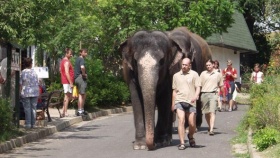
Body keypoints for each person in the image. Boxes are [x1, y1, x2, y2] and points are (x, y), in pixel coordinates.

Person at [172, 58, 201, 150]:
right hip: (179, 101)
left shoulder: (194, 74)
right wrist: (173, 103)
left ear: (189, 65)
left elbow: (198, 87)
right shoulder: (176, 76)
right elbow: (174, 91)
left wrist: (196, 96)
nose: (183, 66)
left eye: (185, 65)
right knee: (181, 120)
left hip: (191, 102)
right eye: (183, 64)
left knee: (192, 124)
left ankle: (190, 136)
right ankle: (182, 143)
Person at [200, 59, 225, 135]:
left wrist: (223, 96)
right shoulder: (203, 74)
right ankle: (209, 126)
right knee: (206, 113)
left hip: (213, 94)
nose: (208, 66)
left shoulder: (218, 74)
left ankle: (211, 129)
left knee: (212, 111)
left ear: (213, 65)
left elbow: (221, 86)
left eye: (209, 65)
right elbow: (199, 85)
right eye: (207, 65)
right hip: (204, 94)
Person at [20, 58, 39, 129]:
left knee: (27, 108)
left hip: (26, 92)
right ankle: (33, 124)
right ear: (31, 64)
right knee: (33, 108)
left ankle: (28, 124)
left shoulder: (23, 72)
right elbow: (37, 82)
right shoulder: (34, 72)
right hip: (35, 92)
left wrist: (20, 92)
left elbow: (20, 84)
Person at [60, 48, 74, 117]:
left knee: (68, 96)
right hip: (67, 81)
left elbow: (61, 71)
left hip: (66, 81)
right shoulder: (66, 62)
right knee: (67, 96)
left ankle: (63, 111)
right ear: (66, 53)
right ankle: (65, 112)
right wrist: (71, 82)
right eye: (70, 54)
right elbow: (67, 72)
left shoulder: (64, 61)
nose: (71, 55)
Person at [74, 49, 88, 116]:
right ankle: (80, 111)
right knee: (81, 95)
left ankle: (81, 110)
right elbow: (82, 67)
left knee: (82, 94)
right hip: (81, 78)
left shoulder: (77, 59)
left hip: (76, 78)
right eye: (85, 52)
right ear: (81, 53)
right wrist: (84, 74)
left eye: (86, 52)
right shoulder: (81, 59)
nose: (86, 53)